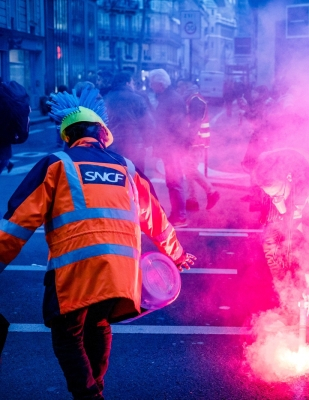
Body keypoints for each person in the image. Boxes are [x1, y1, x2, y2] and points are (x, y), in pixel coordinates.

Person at [0, 86, 195, 399]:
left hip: (74, 275)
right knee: (99, 323)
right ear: (104, 134)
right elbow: (157, 219)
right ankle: (96, 388)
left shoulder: (57, 164)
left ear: (68, 136)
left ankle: (91, 396)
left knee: (67, 335)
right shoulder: (127, 168)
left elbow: (18, 222)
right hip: (121, 276)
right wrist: (178, 253)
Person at [252, 148, 309, 319]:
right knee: (272, 238)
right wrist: (279, 204)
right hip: (293, 185)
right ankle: (285, 291)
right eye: (269, 195)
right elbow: (276, 225)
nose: (274, 198)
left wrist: (306, 287)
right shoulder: (265, 170)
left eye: (277, 194)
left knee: (308, 238)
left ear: (288, 179)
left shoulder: (307, 188)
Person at [147, 69, 188, 226]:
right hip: (170, 147)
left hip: (172, 147)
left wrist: (167, 144)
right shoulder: (168, 97)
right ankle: (177, 214)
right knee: (172, 181)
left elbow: (176, 126)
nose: (151, 86)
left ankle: (180, 215)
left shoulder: (171, 99)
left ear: (160, 84)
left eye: (152, 83)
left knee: (175, 180)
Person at [176, 80, 220, 211]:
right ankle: (192, 200)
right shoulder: (193, 99)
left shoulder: (195, 100)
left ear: (186, 85)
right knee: (188, 169)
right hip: (196, 141)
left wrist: (188, 141)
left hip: (196, 142)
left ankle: (211, 191)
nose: (179, 89)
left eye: (180, 86)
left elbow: (195, 123)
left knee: (189, 169)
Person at [104, 71, 154, 171]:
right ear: (127, 83)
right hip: (135, 145)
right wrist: (148, 143)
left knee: (116, 177)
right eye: (132, 82)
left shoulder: (106, 99)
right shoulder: (138, 99)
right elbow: (148, 123)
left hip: (112, 146)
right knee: (136, 177)